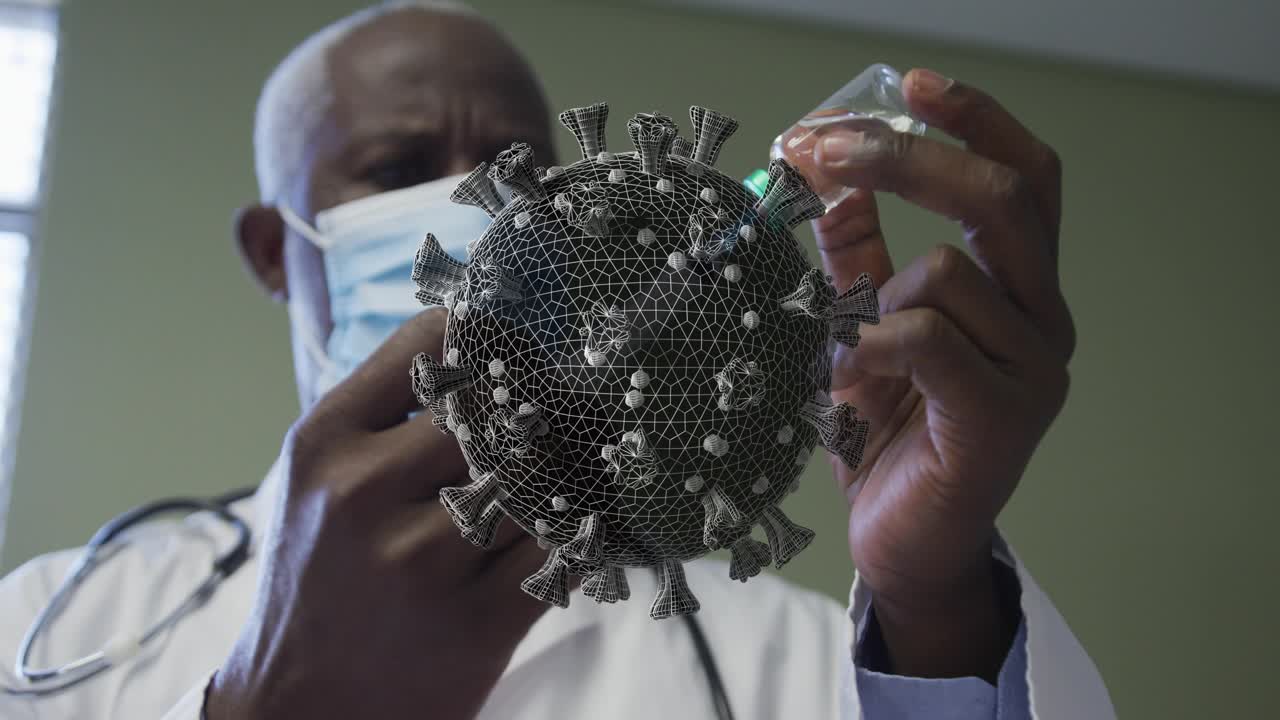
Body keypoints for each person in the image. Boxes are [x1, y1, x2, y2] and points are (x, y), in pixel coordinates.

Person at [0, 2, 1115, 718]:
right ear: (274, 254)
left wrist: (931, 605)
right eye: (395, 167)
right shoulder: (63, 627)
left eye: (516, 169)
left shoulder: (786, 660)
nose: (479, 212)